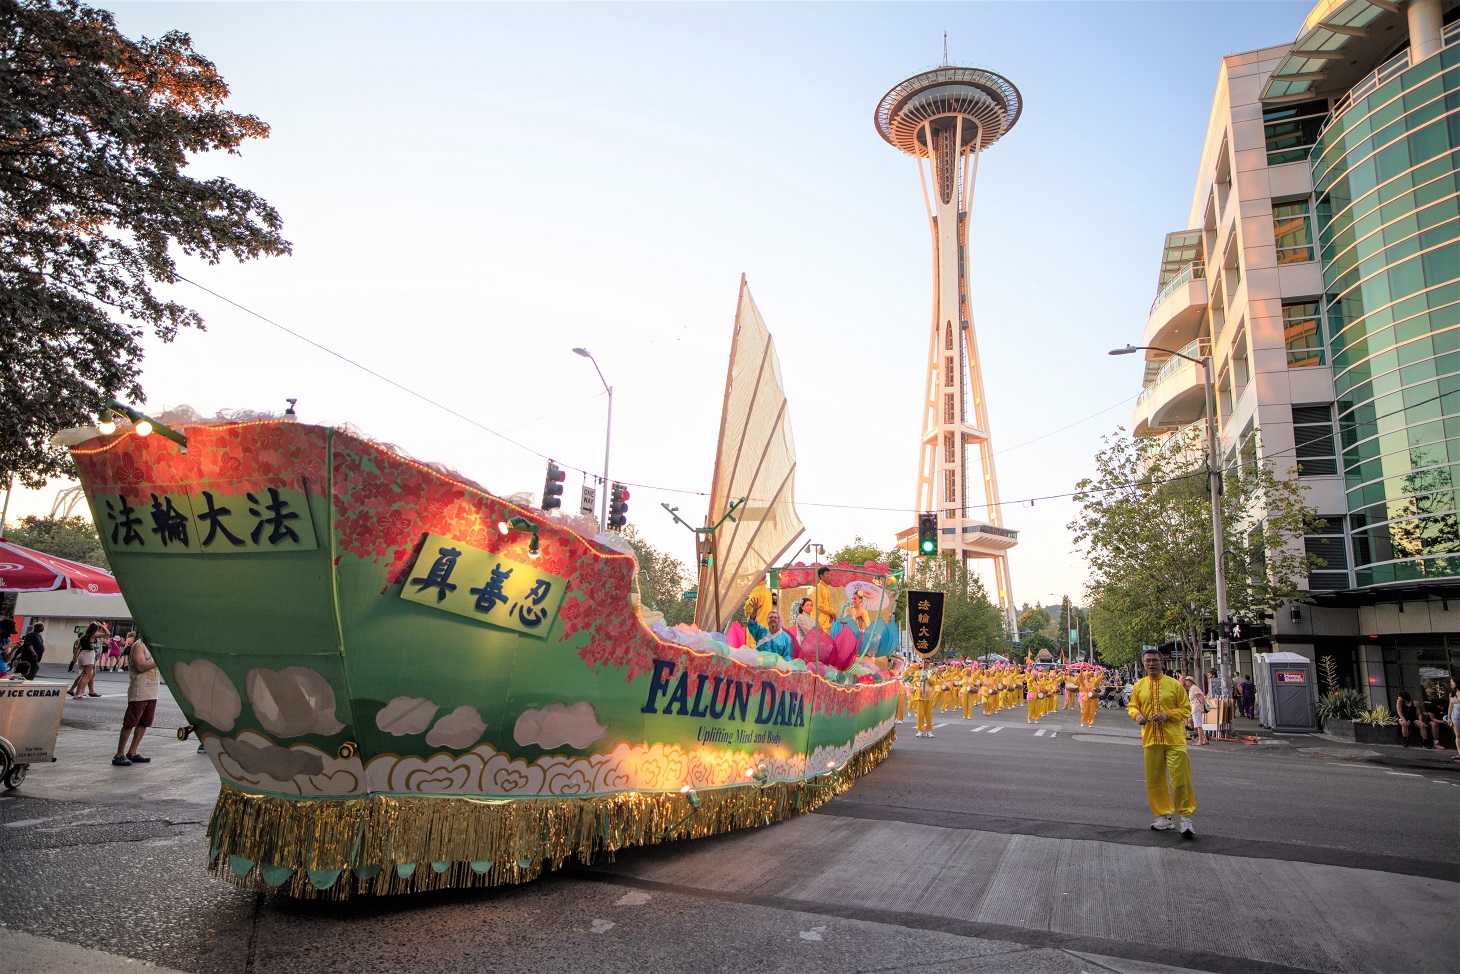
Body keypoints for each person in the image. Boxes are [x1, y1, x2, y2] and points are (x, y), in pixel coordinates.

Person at [1127, 648, 1196, 838]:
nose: (1151, 664)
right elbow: (1133, 706)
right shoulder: (1139, 686)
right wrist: (1137, 715)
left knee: (1181, 779)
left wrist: (1168, 715)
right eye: (1148, 661)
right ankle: (1163, 816)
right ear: (1143, 664)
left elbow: (1186, 709)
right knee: (1155, 780)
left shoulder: (1174, 685)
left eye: (1155, 660)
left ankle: (1186, 818)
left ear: (1161, 662)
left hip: (1174, 738)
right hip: (1151, 738)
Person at [113, 632, 158, 766]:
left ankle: (132, 751)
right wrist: (157, 661)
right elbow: (140, 666)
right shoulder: (139, 645)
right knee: (130, 722)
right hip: (140, 690)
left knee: (144, 722)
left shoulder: (153, 647)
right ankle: (119, 753)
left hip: (152, 691)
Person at [68, 622, 107, 698]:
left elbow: (78, 648)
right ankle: (78, 693)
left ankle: (79, 691)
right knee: (86, 675)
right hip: (89, 655)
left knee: (85, 674)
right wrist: (102, 625)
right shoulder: (92, 635)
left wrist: (75, 657)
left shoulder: (83, 636)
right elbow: (107, 634)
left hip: (82, 654)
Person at [1184, 674, 1209, 746]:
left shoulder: (1194, 688)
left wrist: (1202, 707)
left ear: (1191, 681)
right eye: (1186, 681)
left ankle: (1200, 740)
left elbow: (1201, 696)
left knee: (1198, 725)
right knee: (1196, 724)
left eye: (1188, 681)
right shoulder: (1192, 688)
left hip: (1197, 707)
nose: (1186, 682)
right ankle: (1204, 739)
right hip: (1194, 707)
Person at [814, 568, 837, 635]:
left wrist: (831, 614)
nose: (829, 576)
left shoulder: (825, 588)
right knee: (822, 642)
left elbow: (828, 604)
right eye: (827, 574)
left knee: (827, 642)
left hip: (827, 620)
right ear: (821, 576)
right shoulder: (818, 588)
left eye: (829, 574)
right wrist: (832, 613)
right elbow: (819, 606)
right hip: (821, 621)